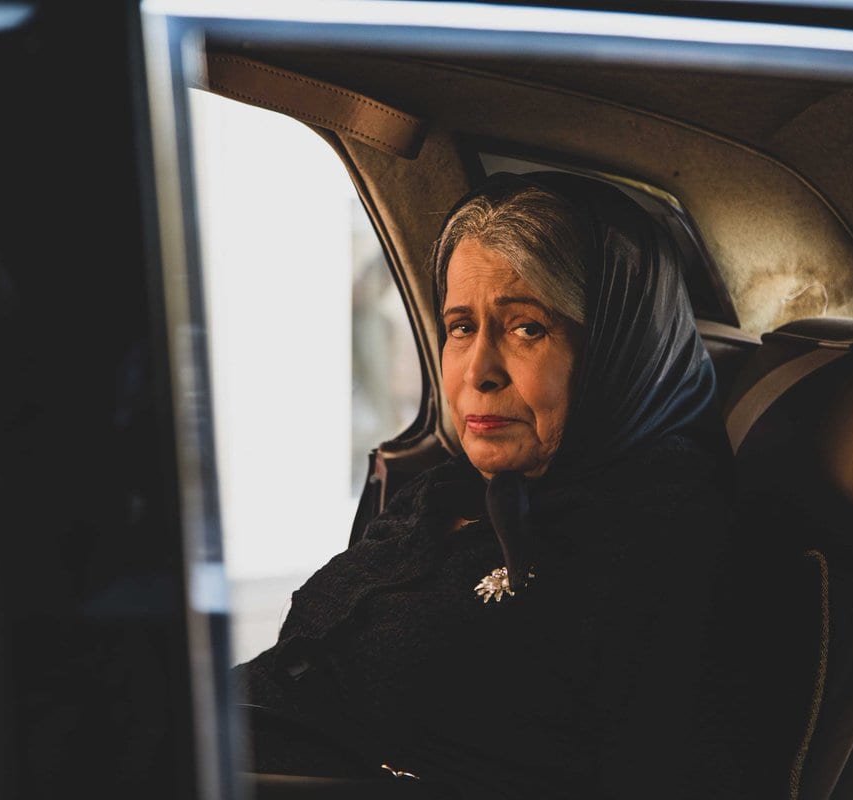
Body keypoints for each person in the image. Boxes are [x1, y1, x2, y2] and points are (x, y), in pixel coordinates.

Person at [232, 171, 737, 799]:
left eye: (527, 328)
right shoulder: (448, 491)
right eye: (461, 327)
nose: (478, 371)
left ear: (618, 349)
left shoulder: (664, 548)